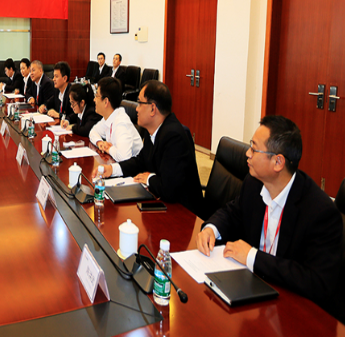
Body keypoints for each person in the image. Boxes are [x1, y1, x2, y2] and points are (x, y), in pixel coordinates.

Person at [197, 115, 342, 316]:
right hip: (253, 296)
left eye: (254, 148)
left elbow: (316, 281)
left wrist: (252, 257)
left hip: (294, 311)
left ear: (278, 162)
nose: (247, 153)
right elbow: (233, 212)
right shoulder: (254, 184)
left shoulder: (320, 212)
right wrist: (211, 229)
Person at [93, 80, 203, 215]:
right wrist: (112, 169)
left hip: (184, 213)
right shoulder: (153, 130)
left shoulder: (174, 136)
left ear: (152, 109)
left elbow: (169, 189)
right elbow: (140, 161)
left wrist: (149, 178)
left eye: (140, 103)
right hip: (162, 203)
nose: (137, 109)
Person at [88, 77, 142, 162]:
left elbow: (124, 157)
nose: (94, 100)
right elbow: (93, 132)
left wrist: (109, 149)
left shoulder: (121, 123)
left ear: (106, 102)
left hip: (134, 168)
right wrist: (100, 142)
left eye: (96, 96)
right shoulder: (109, 117)